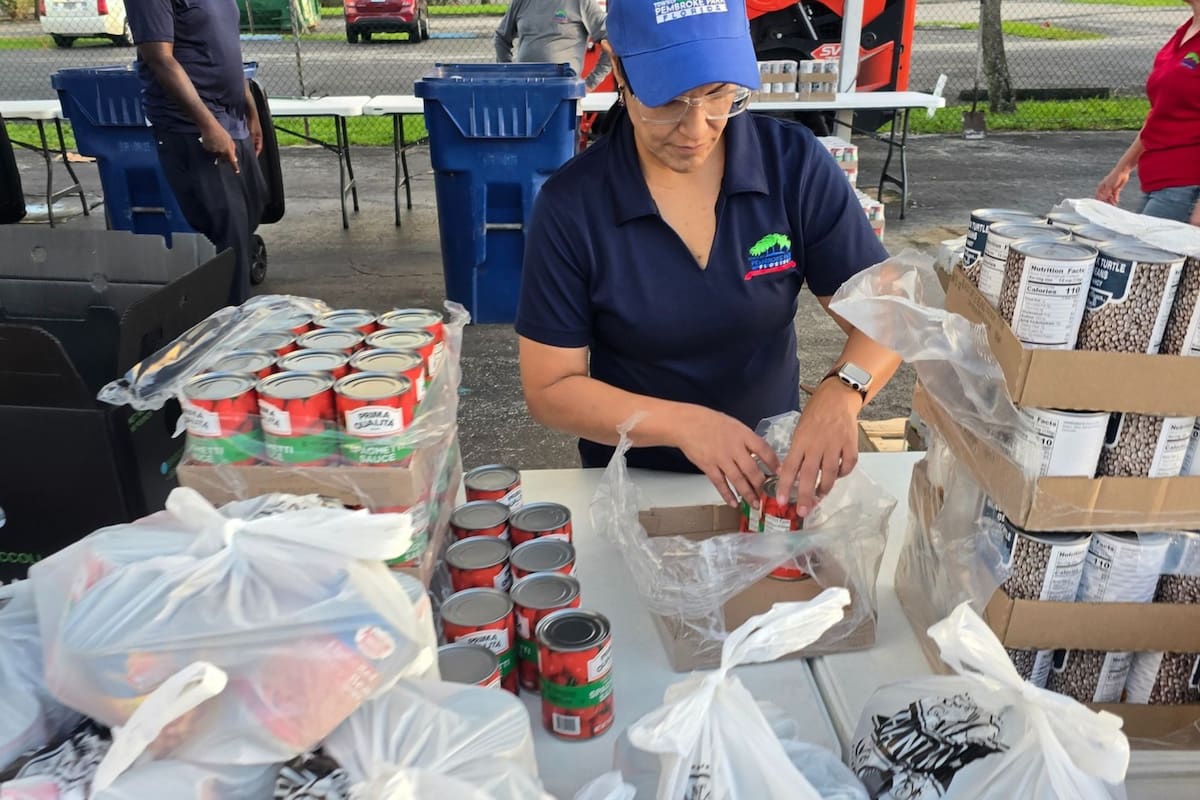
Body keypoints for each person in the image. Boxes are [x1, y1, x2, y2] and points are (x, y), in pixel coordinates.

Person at [515, 0, 901, 514]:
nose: (697, 128)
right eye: (668, 99)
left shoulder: (792, 166)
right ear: (619, 70)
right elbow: (551, 387)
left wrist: (843, 390)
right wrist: (683, 424)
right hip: (634, 489)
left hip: (771, 481)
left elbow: (888, 313)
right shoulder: (573, 205)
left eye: (718, 93)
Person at [126, 0, 267, 305]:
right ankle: (231, 325)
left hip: (232, 116)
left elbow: (227, 46)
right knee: (229, 233)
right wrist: (208, 125)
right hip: (191, 125)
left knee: (251, 212)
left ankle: (235, 305)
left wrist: (249, 107)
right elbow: (160, 59)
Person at [1097, 0, 1200, 225]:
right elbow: (1161, 113)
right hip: (1159, 180)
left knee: (1138, 253)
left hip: (1187, 184)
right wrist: (1122, 169)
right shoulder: (1185, 32)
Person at [494, 0, 612, 91]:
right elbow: (501, 37)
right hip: (525, 94)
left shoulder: (581, 2)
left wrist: (590, 83)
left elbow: (611, 39)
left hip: (564, 97)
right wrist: (509, 75)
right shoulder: (521, 2)